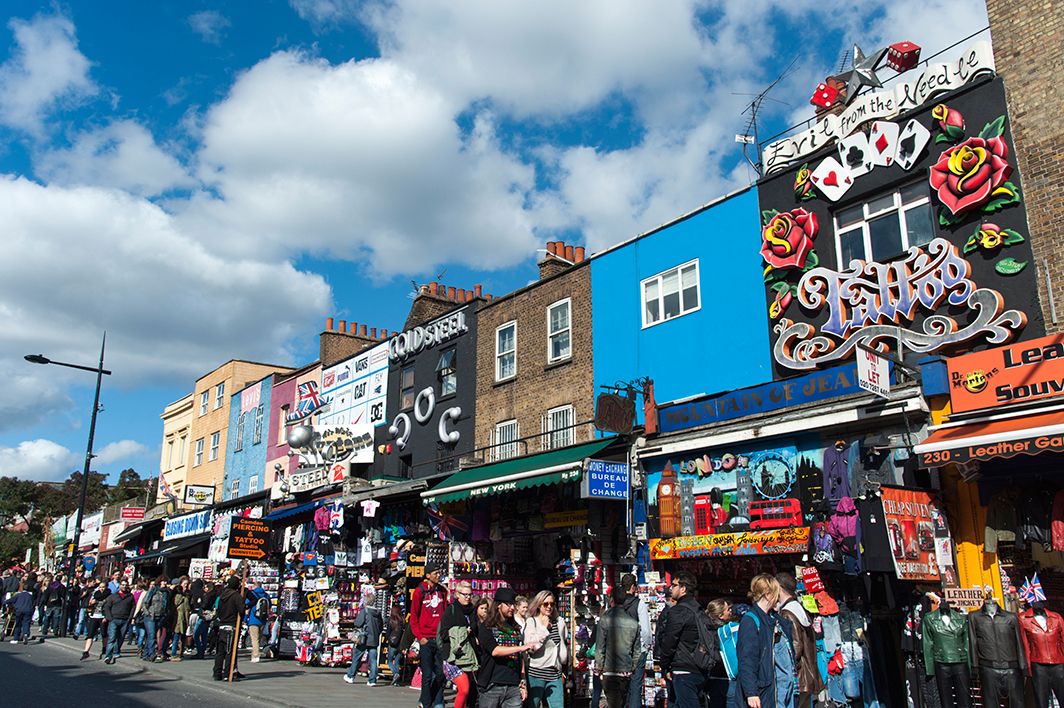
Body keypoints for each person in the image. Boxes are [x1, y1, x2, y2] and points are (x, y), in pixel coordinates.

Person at [737, 574, 793, 708]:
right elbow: (747, 658)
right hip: (763, 689)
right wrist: (751, 692)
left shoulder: (774, 619)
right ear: (768, 594)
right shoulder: (751, 621)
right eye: (776, 593)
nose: (779, 598)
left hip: (779, 687)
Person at [476, 587, 538, 708]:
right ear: (498, 605)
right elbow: (495, 651)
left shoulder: (514, 627)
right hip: (492, 684)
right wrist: (521, 648)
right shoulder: (487, 626)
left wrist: (523, 681)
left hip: (513, 685)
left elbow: (520, 657)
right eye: (509, 604)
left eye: (513, 604)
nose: (512, 608)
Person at [656, 573, 708, 708]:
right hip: (699, 666)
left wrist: (665, 665)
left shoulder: (679, 611)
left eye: (674, 585)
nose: (670, 588)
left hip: (683, 668)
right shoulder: (699, 609)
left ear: (683, 588)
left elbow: (669, 641)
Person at [775, 573, 823, 708]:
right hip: (809, 673)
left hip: (799, 677)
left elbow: (795, 646)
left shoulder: (787, 613)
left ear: (779, 587)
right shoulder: (800, 608)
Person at [596, 585, 642, 708]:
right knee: (621, 703)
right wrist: (632, 666)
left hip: (610, 670)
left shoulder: (605, 620)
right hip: (625, 671)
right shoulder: (634, 624)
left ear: (612, 600)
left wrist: (599, 667)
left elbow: (600, 647)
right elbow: (637, 650)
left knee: (613, 703)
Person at [410, 563, 448, 708]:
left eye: (439, 572)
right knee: (427, 674)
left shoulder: (442, 591)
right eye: (435, 573)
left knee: (440, 673)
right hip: (425, 638)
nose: (438, 575)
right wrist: (420, 637)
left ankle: (436, 700)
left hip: (439, 638)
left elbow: (444, 613)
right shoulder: (420, 591)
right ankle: (426, 703)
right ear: (427, 575)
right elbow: (414, 617)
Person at [438, 581, 479, 708]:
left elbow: (475, 630)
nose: (467, 597)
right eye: (464, 594)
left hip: (469, 656)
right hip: (453, 657)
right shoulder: (451, 610)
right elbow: (443, 634)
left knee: (470, 693)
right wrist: (461, 633)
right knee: (464, 689)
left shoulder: (473, 611)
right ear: (457, 594)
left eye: (470, 595)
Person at [524, 591, 568, 708]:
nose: (549, 607)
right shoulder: (532, 622)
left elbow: (562, 644)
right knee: (533, 705)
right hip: (537, 672)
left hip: (555, 673)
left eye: (552, 604)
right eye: (546, 604)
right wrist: (544, 629)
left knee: (558, 706)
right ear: (539, 605)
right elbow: (531, 648)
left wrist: (563, 667)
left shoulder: (559, 622)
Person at [620, 573, 653, 708]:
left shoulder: (615, 604)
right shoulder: (639, 604)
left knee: (621, 688)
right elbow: (645, 631)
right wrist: (647, 646)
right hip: (636, 650)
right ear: (633, 587)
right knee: (635, 687)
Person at [706, 599, 742, 708]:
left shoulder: (705, 630)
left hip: (712, 677)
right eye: (728, 609)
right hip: (729, 678)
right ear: (721, 615)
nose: (730, 611)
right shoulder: (729, 630)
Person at [344, 587, 384, 686]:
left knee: (357, 657)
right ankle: (372, 680)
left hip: (364, 638)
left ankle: (350, 676)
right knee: (373, 659)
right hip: (374, 638)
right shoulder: (378, 613)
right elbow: (381, 626)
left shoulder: (365, 611)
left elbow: (358, 623)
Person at [213, 575, 246, 681]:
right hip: (231, 626)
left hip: (222, 625)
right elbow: (241, 610)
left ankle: (217, 673)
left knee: (220, 652)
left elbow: (218, 610)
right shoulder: (236, 596)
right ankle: (227, 673)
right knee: (229, 652)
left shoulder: (223, 595)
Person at [102, 580, 135, 664]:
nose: (124, 586)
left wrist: (130, 618)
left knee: (121, 637)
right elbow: (107, 607)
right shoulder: (113, 596)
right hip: (114, 619)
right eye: (122, 585)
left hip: (125, 620)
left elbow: (133, 607)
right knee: (112, 638)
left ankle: (116, 652)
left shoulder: (130, 596)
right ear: (120, 586)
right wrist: (110, 618)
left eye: (125, 585)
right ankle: (108, 656)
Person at [80, 579, 110, 659]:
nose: (101, 589)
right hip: (94, 616)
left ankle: (104, 649)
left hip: (102, 616)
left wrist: (106, 617)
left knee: (104, 634)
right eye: (100, 587)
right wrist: (91, 603)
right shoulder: (95, 594)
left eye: (103, 587)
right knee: (90, 634)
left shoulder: (109, 595)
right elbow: (90, 603)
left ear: (106, 587)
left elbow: (109, 607)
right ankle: (86, 651)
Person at [245, 579, 270, 663]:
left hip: (253, 619)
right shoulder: (266, 595)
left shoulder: (252, 594)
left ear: (254, 586)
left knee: (254, 639)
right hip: (263, 620)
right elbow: (269, 606)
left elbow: (247, 608)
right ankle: (254, 653)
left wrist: (245, 619)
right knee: (258, 638)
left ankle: (256, 655)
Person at [385, 602, 407, 685]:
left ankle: (395, 673)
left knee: (390, 661)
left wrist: (388, 639)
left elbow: (388, 632)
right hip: (400, 644)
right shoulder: (402, 620)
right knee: (397, 662)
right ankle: (396, 681)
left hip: (393, 644)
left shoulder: (391, 620)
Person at [171, 580, 191, 661]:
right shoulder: (185, 598)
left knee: (175, 638)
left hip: (175, 620)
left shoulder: (173, 598)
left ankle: (173, 653)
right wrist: (187, 621)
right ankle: (180, 653)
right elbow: (186, 611)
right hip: (181, 620)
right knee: (182, 638)